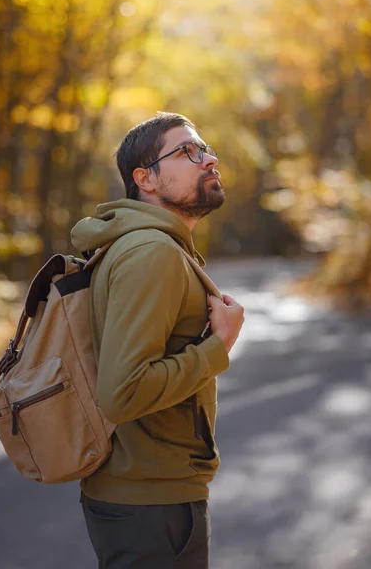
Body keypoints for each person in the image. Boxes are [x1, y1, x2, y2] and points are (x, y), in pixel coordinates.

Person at [70, 112, 244, 569]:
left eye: (204, 148)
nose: (208, 158)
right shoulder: (152, 253)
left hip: (144, 496)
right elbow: (121, 394)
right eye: (187, 151)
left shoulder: (145, 246)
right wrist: (218, 346)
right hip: (151, 505)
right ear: (144, 179)